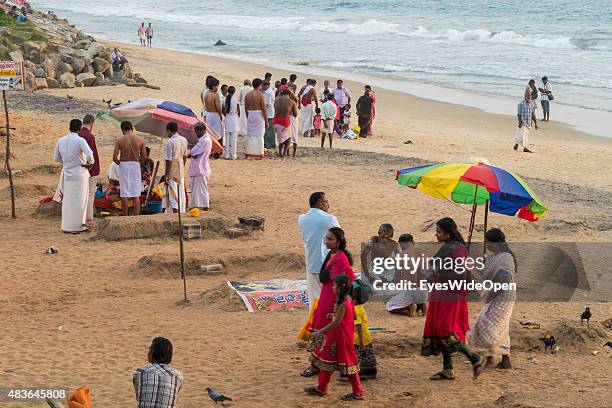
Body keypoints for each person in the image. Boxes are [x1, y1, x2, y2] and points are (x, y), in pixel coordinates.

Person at [421, 217, 483, 381]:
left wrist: (435, 274)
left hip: (450, 295)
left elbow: (459, 273)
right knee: (442, 329)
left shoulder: (456, 249)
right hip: (441, 293)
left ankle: (474, 358)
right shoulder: (449, 247)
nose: (436, 235)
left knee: (445, 330)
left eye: (439, 232)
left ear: (448, 233)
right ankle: (447, 369)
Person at [303, 227, 355, 378]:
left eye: (330, 239)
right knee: (321, 327)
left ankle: (320, 366)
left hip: (333, 300)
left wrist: (336, 307)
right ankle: (318, 364)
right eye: (326, 238)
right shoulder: (333, 254)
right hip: (327, 295)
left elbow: (340, 285)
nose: (326, 241)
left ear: (338, 242)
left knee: (329, 330)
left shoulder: (340, 259)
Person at [305, 275, 364, 401]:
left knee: (349, 365)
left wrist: (319, 332)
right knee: (327, 362)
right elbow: (350, 317)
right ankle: (321, 387)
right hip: (338, 337)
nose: (332, 287)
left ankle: (358, 392)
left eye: (334, 285)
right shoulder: (347, 301)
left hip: (341, 338)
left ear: (339, 288)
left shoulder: (343, 303)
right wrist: (334, 315)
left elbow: (336, 323)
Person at [468, 228, 517, 369]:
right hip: (499, 295)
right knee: (498, 326)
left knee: (488, 325)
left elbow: (505, 281)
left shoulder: (504, 258)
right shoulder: (498, 256)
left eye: (488, 242)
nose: (486, 244)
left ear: (495, 243)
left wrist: (491, 295)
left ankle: (492, 358)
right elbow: (487, 272)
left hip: (502, 296)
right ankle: (500, 358)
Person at [298, 192, 341, 312]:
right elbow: (340, 236)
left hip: (312, 261)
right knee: (330, 297)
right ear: (320, 204)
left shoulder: (302, 218)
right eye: (326, 201)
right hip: (327, 263)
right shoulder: (329, 218)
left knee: (314, 298)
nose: (328, 204)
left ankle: (315, 323)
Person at [54, 119, 94, 233]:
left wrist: (67, 162)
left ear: (69, 127)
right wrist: (88, 163)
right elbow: (90, 155)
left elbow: (56, 157)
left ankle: (67, 226)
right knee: (81, 201)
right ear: (79, 128)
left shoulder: (61, 140)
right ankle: (78, 227)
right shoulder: (80, 140)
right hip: (80, 172)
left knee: (68, 201)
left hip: (67, 173)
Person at [133, 337, 183, 408]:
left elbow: (139, 396)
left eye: (149, 350)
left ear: (152, 352)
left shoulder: (140, 372)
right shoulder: (178, 376)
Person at [386, 233, 428, 316]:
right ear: (413, 242)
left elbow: (397, 279)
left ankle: (410, 307)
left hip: (410, 292)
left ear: (403, 244)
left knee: (390, 305)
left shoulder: (400, 256)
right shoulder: (423, 253)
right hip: (424, 292)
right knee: (418, 297)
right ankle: (422, 305)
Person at [113, 121, 147, 216]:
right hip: (135, 165)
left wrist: (121, 164)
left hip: (124, 165)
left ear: (122, 130)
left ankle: (125, 214)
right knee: (136, 193)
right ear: (131, 129)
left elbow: (114, 158)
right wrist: (137, 163)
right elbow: (145, 157)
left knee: (124, 192)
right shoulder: (140, 140)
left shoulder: (119, 140)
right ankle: (136, 215)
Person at [78, 114, 100, 228]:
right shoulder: (90, 136)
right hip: (91, 169)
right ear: (92, 124)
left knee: (80, 193)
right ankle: (88, 218)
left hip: (79, 169)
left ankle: (79, 217)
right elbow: (90, 155)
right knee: (90, 194)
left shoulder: (78, 135)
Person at [162, 122, 188, 213]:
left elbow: (168, 160)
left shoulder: (171, 142)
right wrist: (182, 167)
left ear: (169, 131)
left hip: (172, 168)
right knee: (180, 190)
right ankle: (181, 211)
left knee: (172, 190)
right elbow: (185, 156)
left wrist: (166, 174)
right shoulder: (184, 139)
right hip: (180, 166)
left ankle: (175, 212)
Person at [188, 122, 212, 210]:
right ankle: (195, 206)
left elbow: (193, 152)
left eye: (196, 131)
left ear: (201, 130)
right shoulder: (204, 139)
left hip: (201, 169)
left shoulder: (204, 141)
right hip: (198, 168)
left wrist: (191, 153)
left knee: (201, 190)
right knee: (195, 190)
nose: (196, 134)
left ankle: (204, 207)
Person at [244, 78, 268, 160]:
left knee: (250, 134)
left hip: (251, 114)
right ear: (260, 85)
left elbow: (246, 107)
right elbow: (264, 109)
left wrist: (248, 116)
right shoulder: (261, 95)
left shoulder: (248, 95)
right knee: (260, 134)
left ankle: (248, 153)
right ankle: (260, 153)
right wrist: (266, 121)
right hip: (259, 115)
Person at [273, 86, 298, 158]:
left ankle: (280, 152)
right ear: (290, 94)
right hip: (284, 122)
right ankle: (284, 153)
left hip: (275, 121)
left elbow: (275, 107)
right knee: (289, 137)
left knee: (281, 137)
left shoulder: (276, 99)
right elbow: (295, 114)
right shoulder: (291, 101)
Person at [204, 77, 224, 153]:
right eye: (216, 86)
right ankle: (217, 151)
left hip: (209, 114)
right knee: (218, 133)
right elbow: (218, 108)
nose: (217, 88)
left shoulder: (206, 94)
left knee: (210, 133)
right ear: (213, 86)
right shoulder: (215, 95)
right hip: (215, 115)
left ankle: (211, 150)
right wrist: (220, 116)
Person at [223, 85, 240, 160]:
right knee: (234, 140)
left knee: (227, 139)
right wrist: (237, 116)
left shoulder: (225, 99)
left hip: (228, 119)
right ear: (234, 92)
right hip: (234, 119)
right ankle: (233, 156)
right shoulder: (235, 100)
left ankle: (226, 155)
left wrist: (226, 115)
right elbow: (238, 111)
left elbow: (223, 110)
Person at [262, 80, 276, 150]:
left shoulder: (267, 93)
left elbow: (267, 104)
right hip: (270, 112)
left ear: (265, 85)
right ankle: (271, 144)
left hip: (269, 113)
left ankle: (268, 144)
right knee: (270, 129)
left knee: (268, 130)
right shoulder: (270, 91)